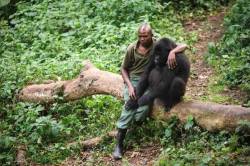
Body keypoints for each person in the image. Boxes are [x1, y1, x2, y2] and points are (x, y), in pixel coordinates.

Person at [113, 23, 187, 160]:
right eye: (139, 36)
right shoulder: (140, 49)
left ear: (151, 36)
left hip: (172, 90)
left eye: (145, 36)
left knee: (142, 108)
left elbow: (163, 86)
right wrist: (134, 94)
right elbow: (146, 74)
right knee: (130, 106)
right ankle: (119, 143)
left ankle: (170, 102)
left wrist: (173, 51)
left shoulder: (171, 58)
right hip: (136, 81)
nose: (142, 39)